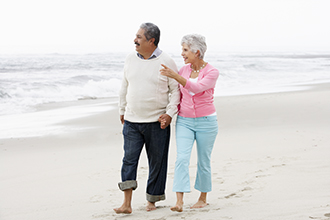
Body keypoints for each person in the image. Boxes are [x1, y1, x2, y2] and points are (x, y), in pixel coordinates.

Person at [114, 23, 180, 214]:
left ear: (151, 41)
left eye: (139, 37)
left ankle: (152, 200)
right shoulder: (129, 59)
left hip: (156, 123)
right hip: (132, 121)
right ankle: (126, 204)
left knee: (157, 163)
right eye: (136, 36)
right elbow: (124, 86)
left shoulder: (167, 61)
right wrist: (122, 110)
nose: (135, 40)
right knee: (129, 160)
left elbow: (176, 91)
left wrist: (169, 113)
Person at [160, 34, 219, 212]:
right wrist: (168, 113)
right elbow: (177, 95)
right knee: (182, 159)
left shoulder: (212, 72)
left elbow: (196, 87)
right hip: (184, 121)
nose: (182, 54)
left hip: (207, 122)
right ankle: (179, 201)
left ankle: (202, 198)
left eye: (185, 50)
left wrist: (175, 76)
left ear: (197, 52)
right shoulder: (183, 71)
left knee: (203, 161)